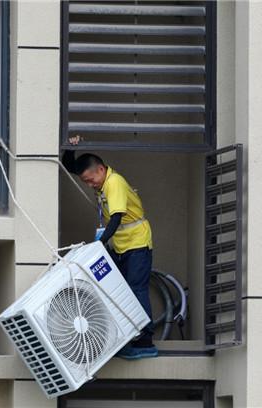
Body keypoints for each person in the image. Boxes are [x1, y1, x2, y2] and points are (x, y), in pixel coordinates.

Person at [62, 135, 158, 360]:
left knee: (137, 289)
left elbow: (116, 217)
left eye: (91, 179)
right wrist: (70, 147)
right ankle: (130, 335)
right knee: (119, 289)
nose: (89, 184)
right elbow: (70, 167)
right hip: (122, 244)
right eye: (86, 181)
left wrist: (99, 243)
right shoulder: (101, 180)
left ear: (102, 169)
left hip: (137, 242)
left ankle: (146, 341)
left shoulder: (114, 182)